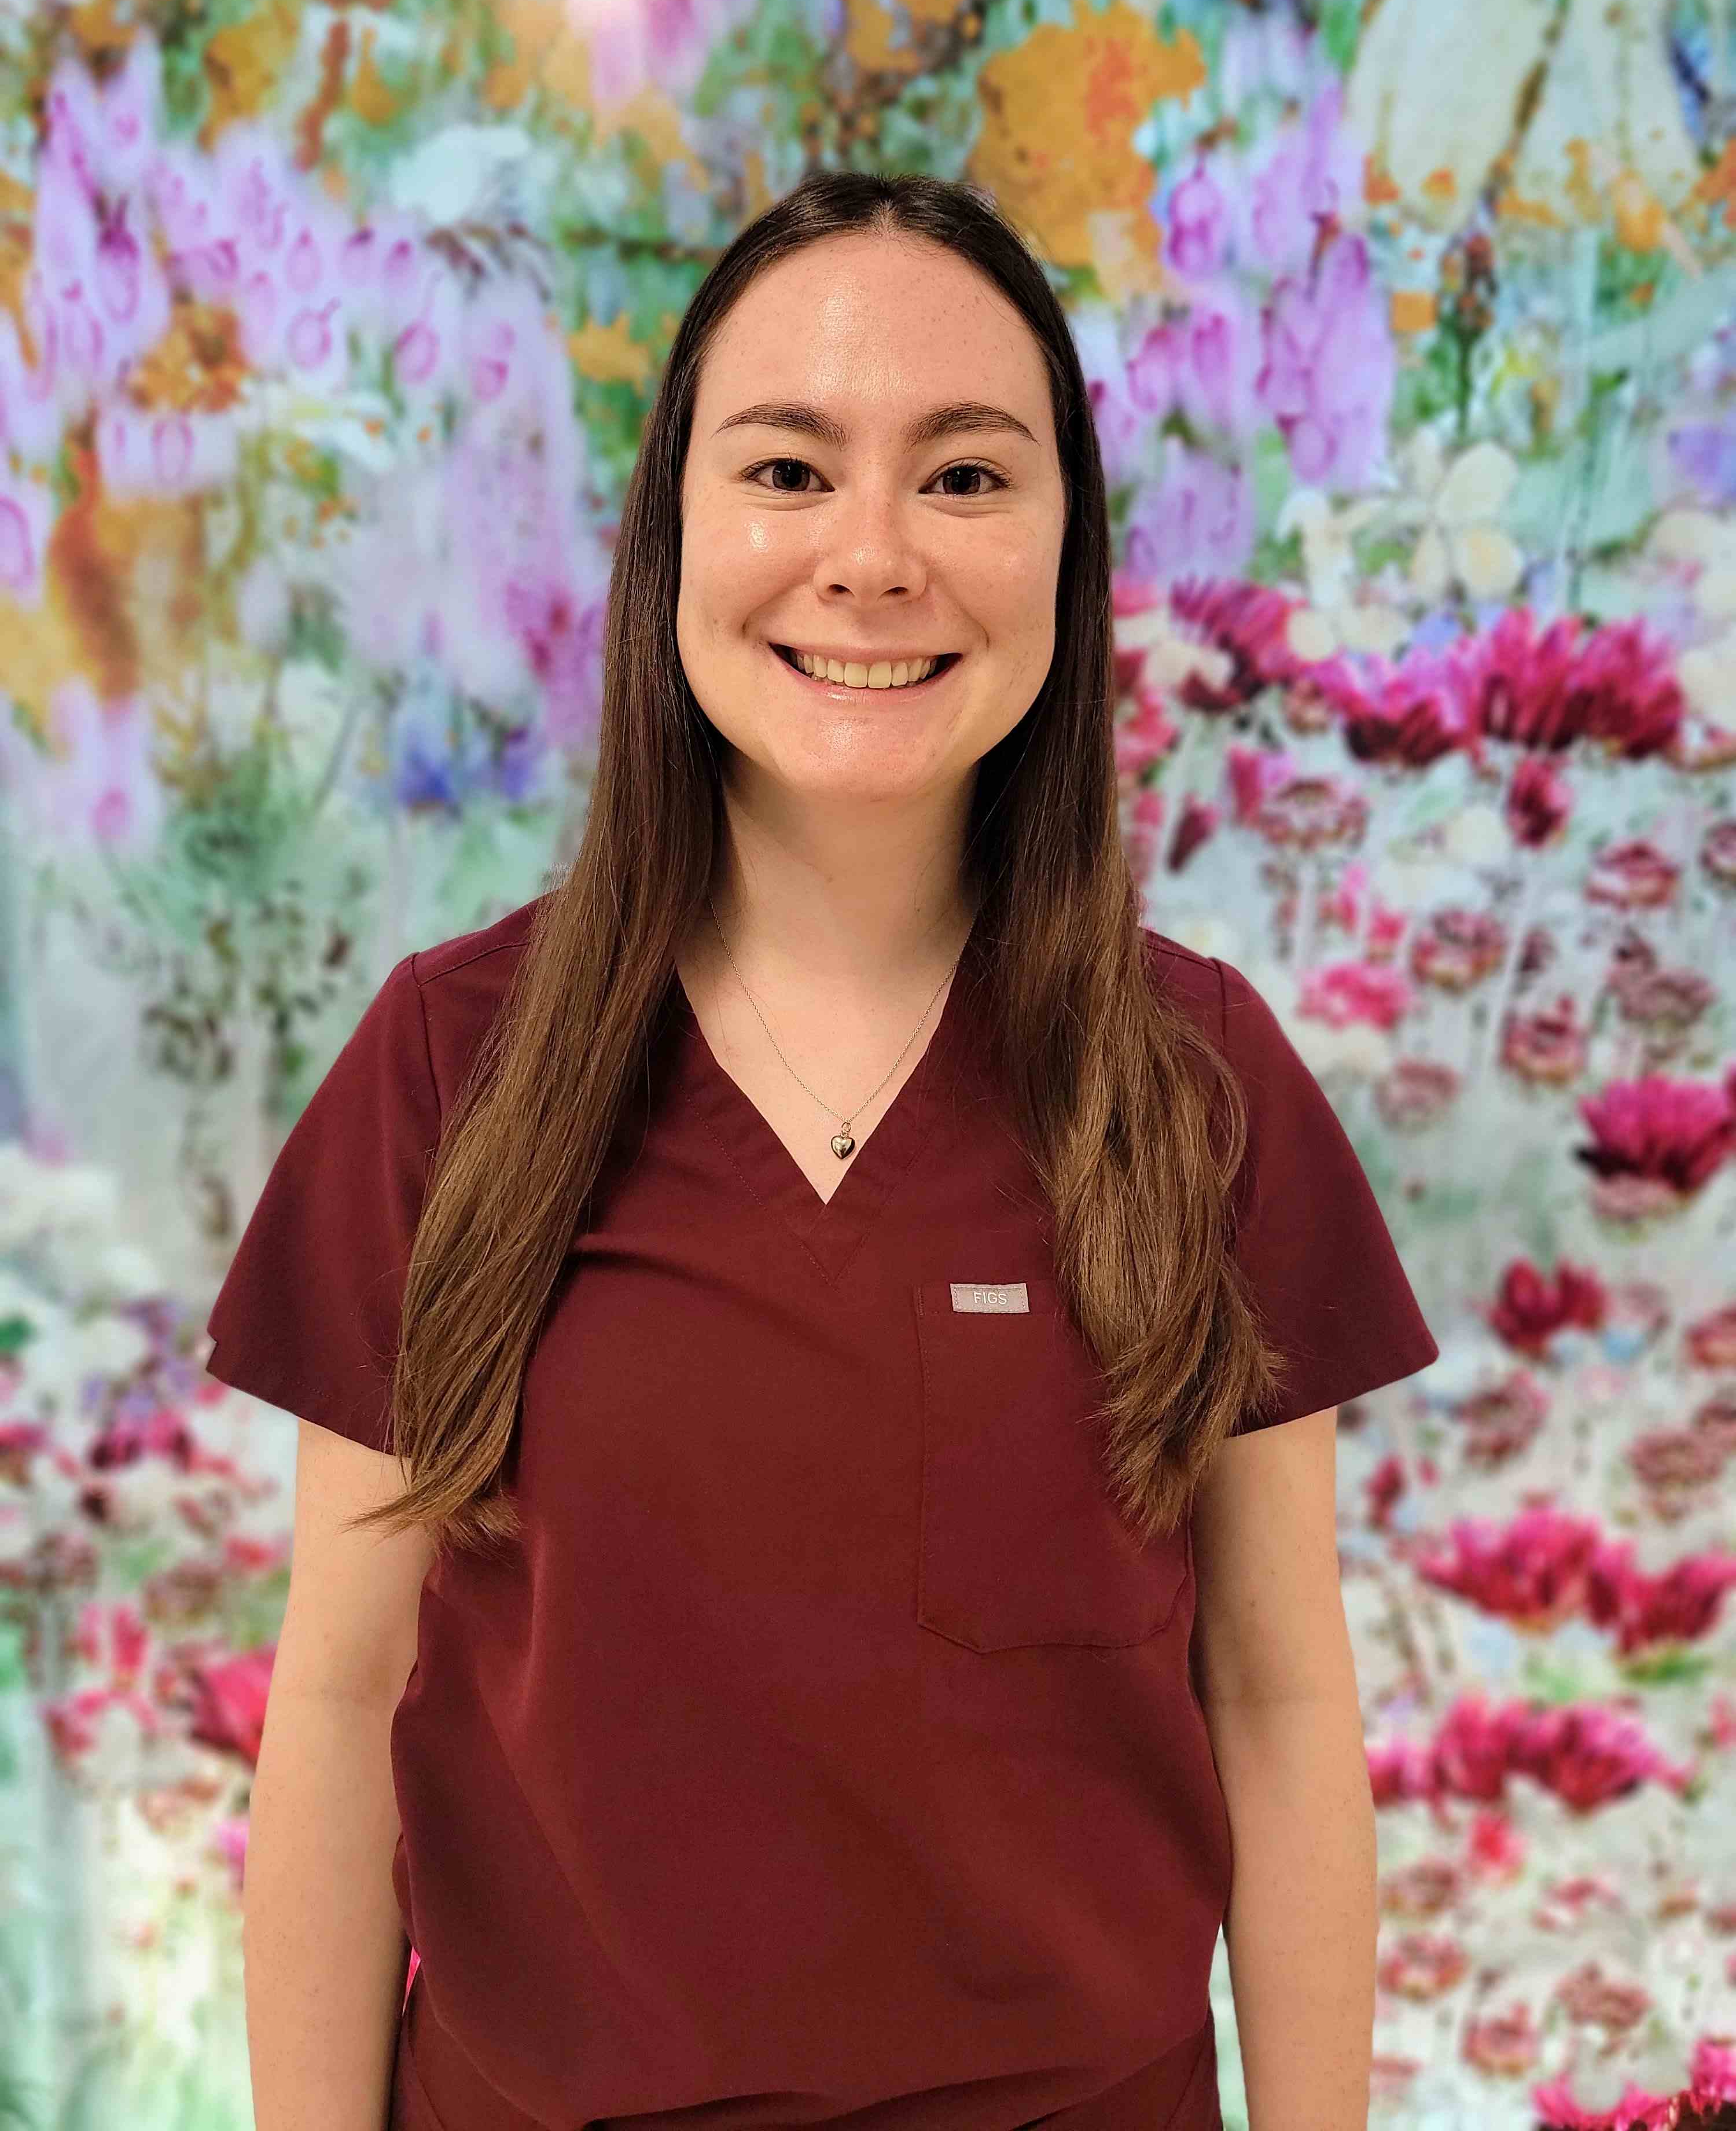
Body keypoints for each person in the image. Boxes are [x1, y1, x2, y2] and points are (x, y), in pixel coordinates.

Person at [205, 170, 1440, 2131]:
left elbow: (1284, 1710)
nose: (871, 558)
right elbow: (343, 1708)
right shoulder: (452, 1072)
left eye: (965, 476)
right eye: (788, 469)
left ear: (1069, 547)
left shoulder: (1199, 1085)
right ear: (672, 531)